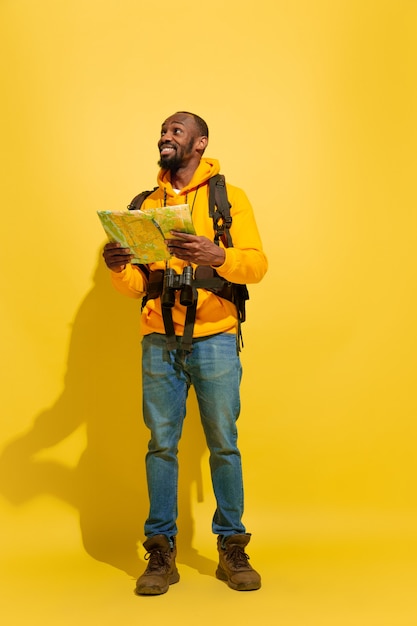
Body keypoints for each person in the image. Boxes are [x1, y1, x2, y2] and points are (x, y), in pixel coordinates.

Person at [103, 111, 268, 594]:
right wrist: (118, 267)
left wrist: (219, 257)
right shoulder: (143, 204)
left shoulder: (228, 199)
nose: (165, 137)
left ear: (199, 143)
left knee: (223, 442)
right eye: (162, 131)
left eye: (176, 131)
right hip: (158, 340)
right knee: (161, 445)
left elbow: (257, 265)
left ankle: (232, 547)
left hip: (216, 337)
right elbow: (137, 286)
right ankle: (161, 553)